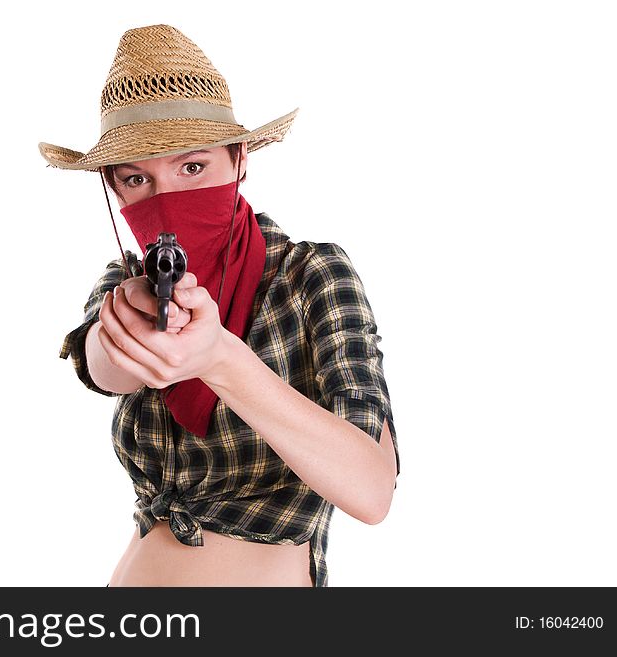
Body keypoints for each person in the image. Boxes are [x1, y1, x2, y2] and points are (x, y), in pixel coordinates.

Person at [39, 24, 400, 587]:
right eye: (137, 177)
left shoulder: (310, 277)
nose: (167, 199)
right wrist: (130, 335)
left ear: (238, 159)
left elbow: (372, 489)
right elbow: (102, 367)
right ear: (115, 188)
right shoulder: (125, 287)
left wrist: (221, 359)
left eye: (191, 167)